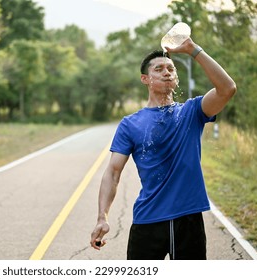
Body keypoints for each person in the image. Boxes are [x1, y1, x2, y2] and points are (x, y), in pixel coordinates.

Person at [90, 38, 236, 260]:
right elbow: (113, 172)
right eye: (158, 69)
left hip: (188, 220)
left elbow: (227, 89)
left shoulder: (193, 111)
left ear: (176, 78)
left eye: (171, 69)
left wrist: (192, 50)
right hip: (148, 221)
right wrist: (103, 216)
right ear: (145, 79)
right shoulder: (130, 123)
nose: (166, 72)